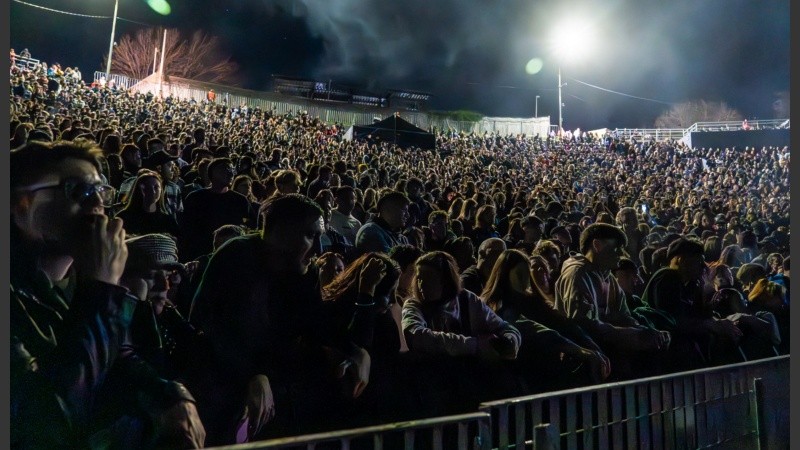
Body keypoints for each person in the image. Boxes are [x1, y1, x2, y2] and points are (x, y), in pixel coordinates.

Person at [11, 139, 204, 448]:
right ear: (22, 203)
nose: (95, 205)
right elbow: (46, 422)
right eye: (76, 190)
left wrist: (172, 396)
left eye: (99, 191)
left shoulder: (80, 282)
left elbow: (121, 355)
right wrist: (101, 289)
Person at [188, 194, 370, 444]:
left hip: (276, 390)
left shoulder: (307, 270)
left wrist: (355, 351)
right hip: (222, 393)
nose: (319, 249)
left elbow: (315, 324)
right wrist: (252, 374)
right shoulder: (235, 256)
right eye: (310, 236)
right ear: (279, 233)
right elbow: (210, 327)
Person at [402, 251, 522, 414]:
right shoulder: (414, 305)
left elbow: (504, 327)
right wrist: (475, 345)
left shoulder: (466, 299)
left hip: (469, 384)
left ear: (445, 282)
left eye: (429, 279)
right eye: (420, 278)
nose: (422, 285)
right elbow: (416, 336)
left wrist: (511, 341)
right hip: (436, 387)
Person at [481, 249, 611, 392]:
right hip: (526, 372)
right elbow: (535, 330)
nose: (524, 280)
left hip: (549, 366)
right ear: (505, 274)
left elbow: (566, 324)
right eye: (520, 274)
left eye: (526, 274)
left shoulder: (534, 302)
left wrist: (592, 347)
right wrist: (578, 350)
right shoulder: (499, 305)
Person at [555, 224, 671, 380]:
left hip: (610, 351)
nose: (621, 253)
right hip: (585, 357)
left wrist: (645, 331)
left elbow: (623, 315)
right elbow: (582, 324)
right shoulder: (577, 274)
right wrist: (629, 334)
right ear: (597, 245)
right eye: (616, 247)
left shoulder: (608, 277)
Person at [640, 238, 743, 369]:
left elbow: (700, 315)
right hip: (665, 342)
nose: (703, 266)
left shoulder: (690, 284)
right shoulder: (667, 276)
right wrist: (711, 325)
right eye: (699, 261)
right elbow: (674, 321)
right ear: (680, 260)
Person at [180, 158, 252, 260]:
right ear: (212, 173)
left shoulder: (240, 200)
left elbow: (249, 226)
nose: (230, 174)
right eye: (225, 169)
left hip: (232, 255)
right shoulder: (196, 198)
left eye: (232, 169)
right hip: (201, 255)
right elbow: (186, 229)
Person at [114, 170, 180, 236]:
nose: (153, 191)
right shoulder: (124, 218)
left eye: (156, 187)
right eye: (148, 187)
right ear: (139, 190)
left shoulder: (168, 221)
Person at [354, 189, 410, 256]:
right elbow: (389, 262)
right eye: (404, 210)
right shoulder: (371, 232)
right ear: (389, 210)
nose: (408, 215)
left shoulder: (401, 238)